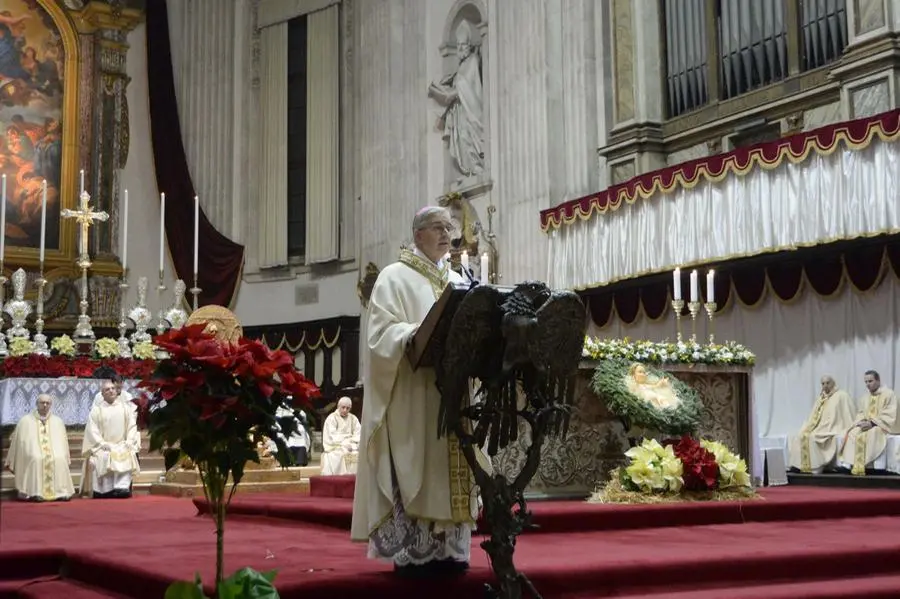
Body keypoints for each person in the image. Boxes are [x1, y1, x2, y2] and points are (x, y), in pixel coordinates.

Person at [351, 206, 477, 579]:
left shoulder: (457, 279)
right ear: (418, 234)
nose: (446, 235)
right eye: (438, 228)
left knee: (448, 466)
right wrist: (411, 335)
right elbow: (378, 336)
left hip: (452, 395)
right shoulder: (394, 277)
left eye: (448, 228)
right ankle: (418, 550)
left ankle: (449, 548)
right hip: (413, 394)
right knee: (417, 464)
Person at [4, 394, 74, 501]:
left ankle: (60, 492)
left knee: (59, 458)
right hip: (33, 450)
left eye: (47, 403)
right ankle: (34, 492)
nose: (45, 405)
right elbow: (21, 441)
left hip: (53, 450)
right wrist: (29, 450)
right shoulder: (25, 421)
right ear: (37, 404)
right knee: (36, 458)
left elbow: (62, 442)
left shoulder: (58, 421)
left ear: (51, 405)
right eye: (42, 403)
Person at [80, 380, 141, 498]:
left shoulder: (125, 408)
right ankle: (105, 490)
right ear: (102, 394)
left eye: (113, 388)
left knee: (126, 453)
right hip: (104, 445)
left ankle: (121, 488)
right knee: (103, 456)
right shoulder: (96, 410)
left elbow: (132, 426)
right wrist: (101, 443)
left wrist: (129, 440)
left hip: (122, 444)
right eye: (107, 389)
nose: (111, 390)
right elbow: (92, 431)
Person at [787, 376, 855, 473]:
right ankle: (799, 465)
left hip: (833, 428)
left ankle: (815, 467)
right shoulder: (821, 398)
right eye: (823, 383)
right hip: (819, 428)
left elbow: (848, 414)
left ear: (833, 383)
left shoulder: (841, 395)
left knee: (812, 438)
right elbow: (813, 417)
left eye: (828, 383)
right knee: (798, 436)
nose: (825, 386)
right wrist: (809, 427)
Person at [838, 370, 897, 475]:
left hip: (881, 426)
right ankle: (849, 464)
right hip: (866, 424)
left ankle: (876, 468)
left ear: (878, 381)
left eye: (870, 381)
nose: (868, 384)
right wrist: (860, 422)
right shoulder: (865, 397)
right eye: (866, 382)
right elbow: (860, 413)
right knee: (852, 433)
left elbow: (889, 414)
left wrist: (872, 423)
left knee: (874, 433)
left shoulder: (889, 394)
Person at [320, 397, 361, 475]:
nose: (345, 410)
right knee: (340, 454)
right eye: (343, 407)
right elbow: (332, 435)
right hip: (336, 445)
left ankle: (355, 480)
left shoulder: (353, 418)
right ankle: (341, 478)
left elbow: (358, 433)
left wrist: (352, 443)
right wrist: (344, 443)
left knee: (359, 453)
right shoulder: (332, 418)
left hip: (351, 444)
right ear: (338, 406)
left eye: (348, 408)